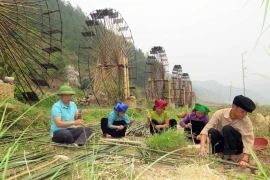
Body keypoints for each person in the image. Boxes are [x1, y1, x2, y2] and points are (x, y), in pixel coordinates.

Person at [199, 95, 256, 168]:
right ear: (233, 106)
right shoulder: (220, 113)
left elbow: (248, 140)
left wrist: (245, 159)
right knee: (212, 131)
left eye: (246, 113)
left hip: (236, 147)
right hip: (223, 144)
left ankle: (232, 158)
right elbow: (206, 129)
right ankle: (220, 154)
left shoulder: (246, 122)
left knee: (227, 128)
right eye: (242, 111)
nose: (244, 115)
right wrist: (202, 147)